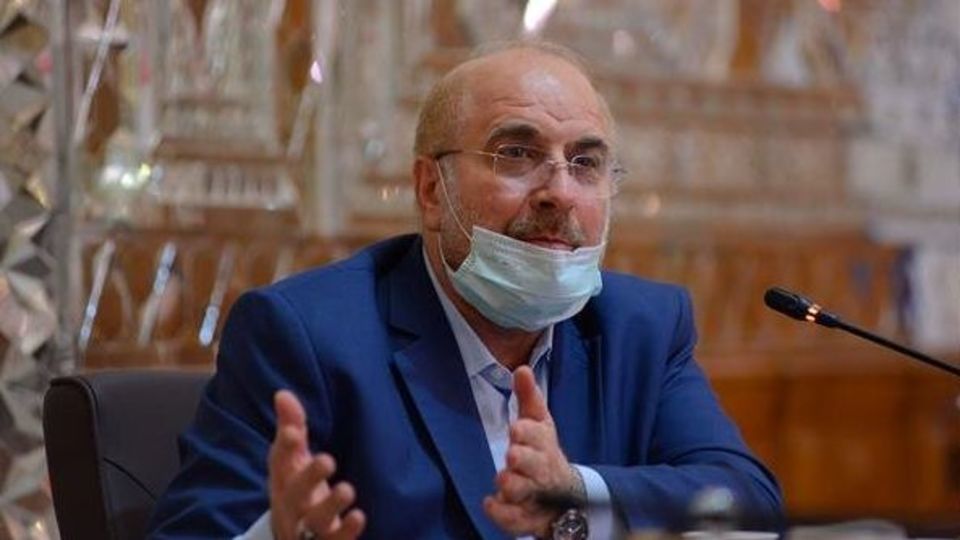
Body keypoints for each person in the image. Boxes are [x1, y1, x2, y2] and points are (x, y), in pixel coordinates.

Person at [148, 41, 782, 540]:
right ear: (432, 191)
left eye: (585, 163)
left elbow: (749, 508)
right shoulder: (305, 335)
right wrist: (274, 534)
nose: (560, 193)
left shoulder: (640, 326)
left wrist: (575, 494)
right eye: (516, 154)